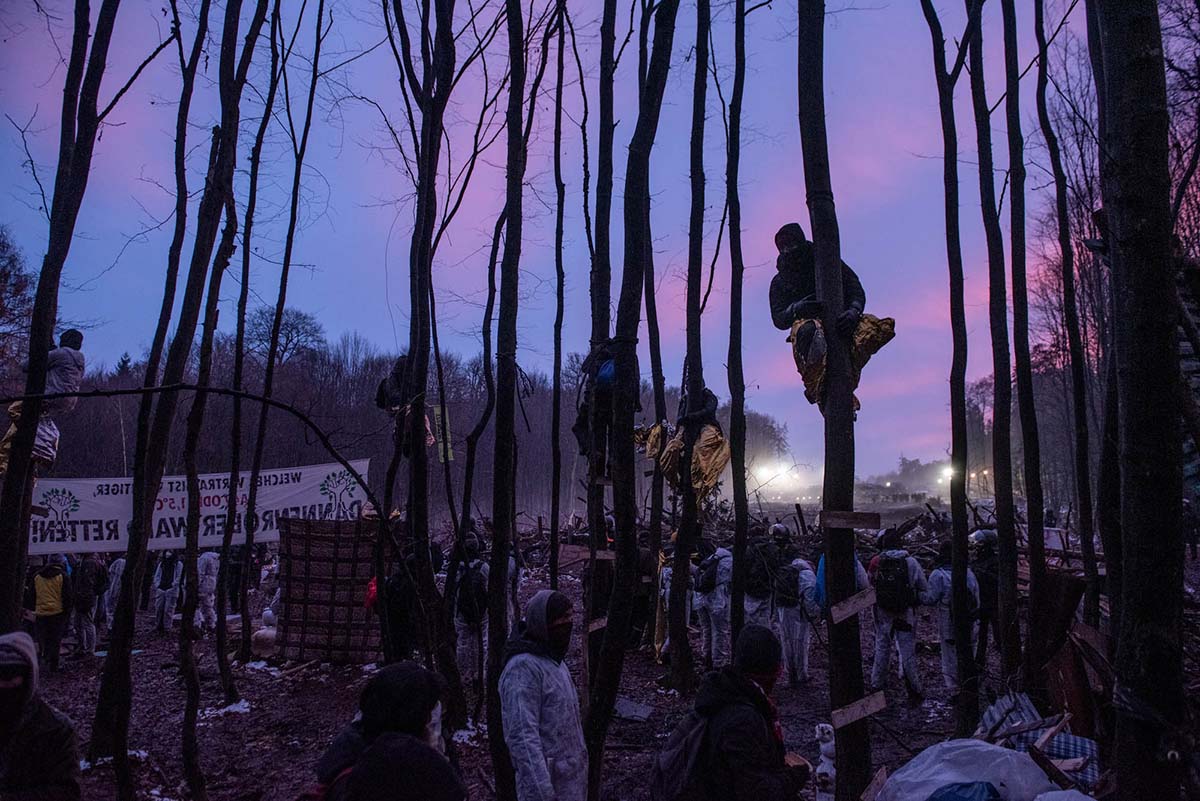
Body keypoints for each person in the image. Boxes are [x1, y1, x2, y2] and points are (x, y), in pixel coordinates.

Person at [311, 661, 465, 801]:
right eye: (429, 716)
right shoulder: (390, 779)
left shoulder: (351, 745)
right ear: (417, 719)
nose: (433, 723)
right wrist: (431, 760)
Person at [687, 625, 810, 800]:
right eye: (778, 670)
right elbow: (755, 792)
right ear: (772, 673)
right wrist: (795, 776)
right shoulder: (742, 720)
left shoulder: (724, 693)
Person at [500, 590, 587, 801]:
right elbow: (522, 738)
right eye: (562, 619)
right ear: (544, 624)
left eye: (570, 617)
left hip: (571, 781)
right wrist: (542, 793)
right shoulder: (522, 669)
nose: (568, 624)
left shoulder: (554, 661)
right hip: (547, 786)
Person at [0, 632, 82, 800]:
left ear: (29, 677)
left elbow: (67, 791)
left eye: (12, 674)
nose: (5, 683)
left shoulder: (56, 729)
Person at [769, 223, 865, 333]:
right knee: (808, 332)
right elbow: (779, 318)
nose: (787, 250)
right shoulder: (780, 281)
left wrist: (854, 310)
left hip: (841, 320)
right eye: (783, 246)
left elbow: (854, 288)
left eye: (791, 243)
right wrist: (797, 309)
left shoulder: (825, 260)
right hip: (807, 329)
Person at [867, 529, 928, 699]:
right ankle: (914, 688)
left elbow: (869, 583)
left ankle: (876, 684)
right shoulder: (911, 562)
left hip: (882, 610)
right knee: (907, 648)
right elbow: (923, 586)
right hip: (905, 611)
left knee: (882, 645)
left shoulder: (876, 561)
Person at [920, 541, 980, 694]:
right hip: (970, 620)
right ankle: (968, 683)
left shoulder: (938, 574)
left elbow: (931, 599)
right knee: (969, 650)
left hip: (947, 621)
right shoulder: (969, 573)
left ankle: (953, 689)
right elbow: (976, 598)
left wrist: (916, 595)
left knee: (949, 655)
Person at [774, 557, 819, 687]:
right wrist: (813, 615)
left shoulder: (789, 570)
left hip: (783, 609)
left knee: (786, 641)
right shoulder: (809, 576)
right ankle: (802, 674)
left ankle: (790, 674)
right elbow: (809, 600)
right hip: (797, 612)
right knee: (800, 643)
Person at [454, 538, 490, 687]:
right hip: (481, 613)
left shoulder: (456, 568)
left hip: (461, 613)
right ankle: (479, 673)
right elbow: (489, 590)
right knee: (482, 642)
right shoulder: (484, 567)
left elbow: (454, 592)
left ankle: (463, 675)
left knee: (462, 643)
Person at [694, 541, 734, 670]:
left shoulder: (712, 558)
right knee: (720, 631)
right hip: (718, 600)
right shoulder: (729, 560)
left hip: (701, 598)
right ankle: (718, 662)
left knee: (706, 630)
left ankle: (706, 658)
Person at [33, 556, 72, 674]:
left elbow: (31, 595)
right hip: (57, 613)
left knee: (42, 638)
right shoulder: (63, 576)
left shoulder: (37, 576)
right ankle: (53, 665)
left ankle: (42, 660)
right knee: (55, 639)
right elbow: (67, 596)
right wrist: (67, 613)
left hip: (40, 612)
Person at [970, 529, 1000, 668]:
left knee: (998, 634)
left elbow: (998, 580)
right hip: (980, 603)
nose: (976, 546)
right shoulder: (975, 562)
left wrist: (983, 574)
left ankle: (1005, 661)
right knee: (980, 635)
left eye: (979, 544)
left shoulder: (995, 561)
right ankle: (979, 661)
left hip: (993, 603)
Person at [70, 553, 106, 657]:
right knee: (78, 623)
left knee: (87, 622)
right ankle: (83, 647)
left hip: (87, 598)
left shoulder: (90, 563)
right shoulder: (83, 562)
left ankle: (90, 649)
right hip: (83, 597)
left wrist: (86, 596)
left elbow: (88, 583)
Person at [743, 530, 778, 629]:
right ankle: (764, 637)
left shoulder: (749, 551)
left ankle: (752, 638)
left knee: (750, 618)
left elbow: (744, 569)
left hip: (751, 590)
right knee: (765, 617)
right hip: (767, 589)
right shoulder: (770, 549)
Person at [152, 551, 183, 633]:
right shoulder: (162, 563)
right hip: (161, 588)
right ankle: (158, 625)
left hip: (171, 589)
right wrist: (157, 585)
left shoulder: (178, 564)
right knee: (159, 608)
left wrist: (172, 586)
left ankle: (167, 627)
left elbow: (179, 577)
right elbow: (157, 575)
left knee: (168, 610)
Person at [197, 549, 221, 634]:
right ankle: (211, 623)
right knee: (208, 604)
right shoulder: (216, 558)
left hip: (205, 583)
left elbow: (200, 572)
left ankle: (200, 624)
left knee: (201, 604)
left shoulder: (205, 557)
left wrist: (197, 584)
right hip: (212, 582)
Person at [103, 554, 125, 629]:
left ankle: (112, 629)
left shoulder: (120, 562)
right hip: (111, 589)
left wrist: (113, 592)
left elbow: (117, 579)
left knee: (112, 611)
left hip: (114, 590)